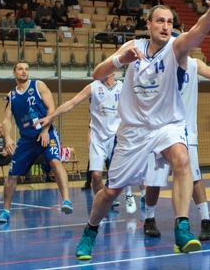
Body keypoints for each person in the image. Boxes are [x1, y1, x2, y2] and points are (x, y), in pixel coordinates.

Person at [74, 0, 210, 260]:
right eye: (160, 20)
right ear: (148, 24)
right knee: (110, 192)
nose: (166, 25)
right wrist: (120, 60)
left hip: (166, 126)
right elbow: (98, 73)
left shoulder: (177, 47)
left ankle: (182, 227)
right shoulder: (132, 47)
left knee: (182, 159)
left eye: (170, 21)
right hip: (134, 129)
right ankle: (90, 231)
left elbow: (197, 33)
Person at [144, 58, 210, 241]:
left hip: (186, 132)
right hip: (159, 130)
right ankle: (149, 219)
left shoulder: (194, 64)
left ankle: (205, 220)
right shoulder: (159, 65)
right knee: (154, 180)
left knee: (194, 177)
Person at [37, 73, 138, 212]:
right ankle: (103, 205)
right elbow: (72, 102)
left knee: (119, 170)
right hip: (98, 136)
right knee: (96, 176)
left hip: (116, 135)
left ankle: (128, 193)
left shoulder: (122, 87)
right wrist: (50, 116)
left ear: (114, 71)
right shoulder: (94, 87)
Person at [0, 62, 72, 223]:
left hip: (46, 133)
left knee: (55, 161)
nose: (24, 72)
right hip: (27, 139)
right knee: (12, 176)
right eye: (20, 69)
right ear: (14, 72)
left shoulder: (38, 85)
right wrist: (8, 137)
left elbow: (51, 109)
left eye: (26, 69)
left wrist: (45, 130)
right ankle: (5, 211)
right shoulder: (12, 95)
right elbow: (6, 120)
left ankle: (66, 200)